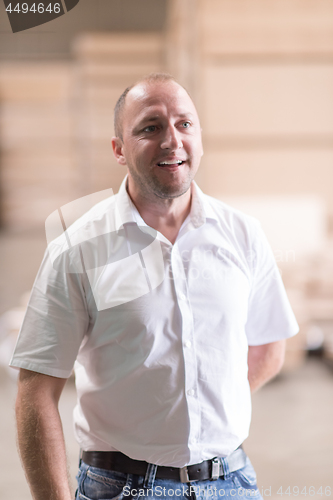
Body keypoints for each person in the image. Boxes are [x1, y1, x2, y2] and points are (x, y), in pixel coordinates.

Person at [10, 73, 298, 500]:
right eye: (150, 127)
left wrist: (197, 410)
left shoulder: (242, 234)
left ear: (200, 137)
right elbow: (35, 392)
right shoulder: (79, 248)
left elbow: (270, 347)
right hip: (122, 486)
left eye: (185, 124)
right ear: (119, 149)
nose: (172, 140)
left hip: (231, 481)